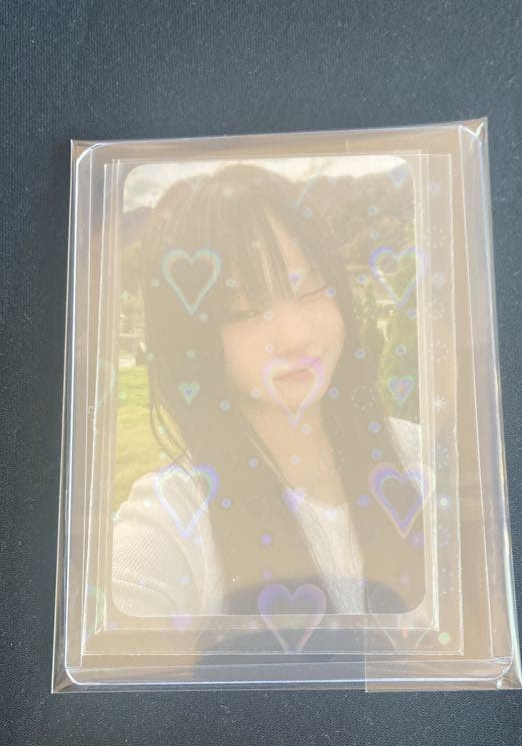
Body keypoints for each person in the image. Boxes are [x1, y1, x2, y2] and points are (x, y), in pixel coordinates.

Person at [111, 163, 429, 632]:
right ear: (192, 335)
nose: (296, 335)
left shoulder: (421, 462)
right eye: (244, 309)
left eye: (312, 288)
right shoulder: (176, 519)